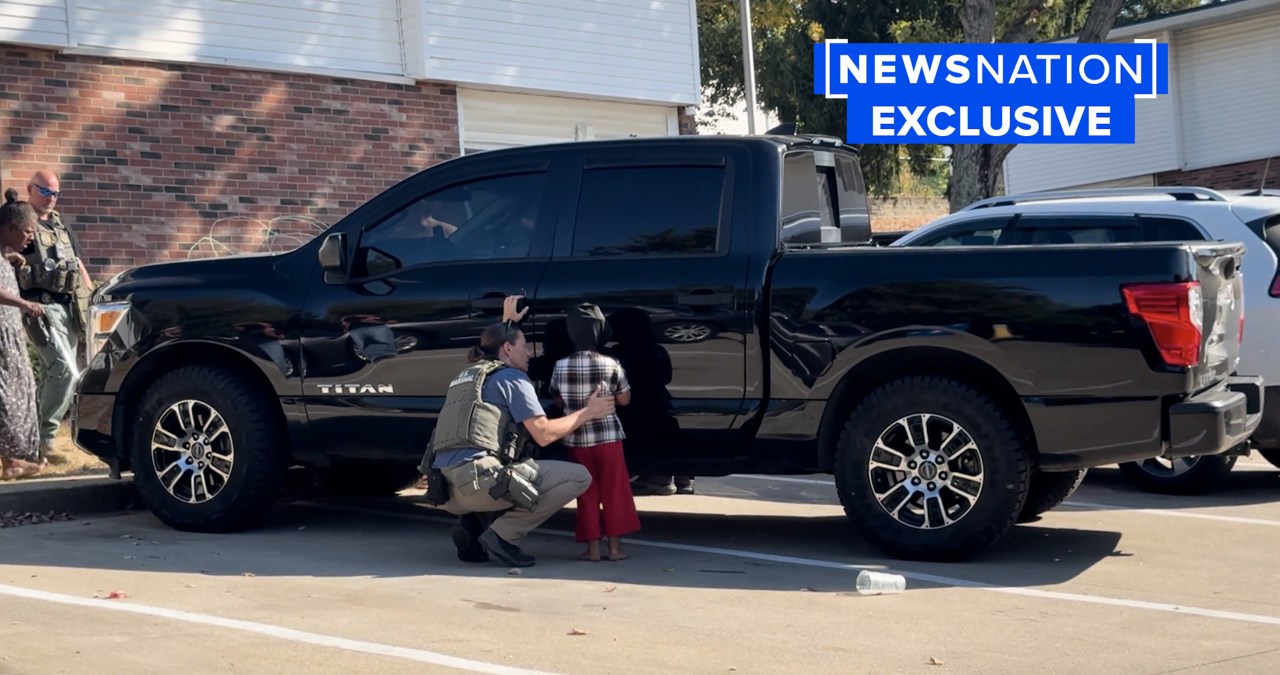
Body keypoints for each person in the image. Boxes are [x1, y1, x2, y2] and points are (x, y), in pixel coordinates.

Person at [427, 296, 616, 568]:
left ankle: (472, 524)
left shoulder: (468, 375)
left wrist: (507, 324)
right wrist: (589, 411)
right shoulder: (513, 378)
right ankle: (503, 536)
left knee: (508, 460)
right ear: (507, 348)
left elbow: (492, 351)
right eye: (524, 346)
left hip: (445, 491)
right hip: (480, 487)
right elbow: (544, 434)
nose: (528, 353)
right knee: (578, 477)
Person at [550, 303, 640, 562]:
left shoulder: (560, 366)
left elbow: (558, 399)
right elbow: (624, 399)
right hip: (608, 438)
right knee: (615, 491)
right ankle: (615, 549)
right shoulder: (610, 363)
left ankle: (593, 550)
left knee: (586, 494)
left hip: (576, 438)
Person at [18, 170, 92, 455]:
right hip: (40, 307)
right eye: (45, 191)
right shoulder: (20, 223)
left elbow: (77, 262)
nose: (51, 198)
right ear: (30, 189)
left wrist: (90, 295)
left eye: (55, 193)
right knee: (65, 371)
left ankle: (31, 439)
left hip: (68, 308)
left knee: (54, 374)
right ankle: (46, 441)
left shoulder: (59, 224)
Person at [0, 189, 47, 480]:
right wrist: (24, 304)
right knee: (6, 396)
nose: (31, 238)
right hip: (1, 340)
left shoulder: (3, 253)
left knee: (17, 392)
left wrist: (9, 256)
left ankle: (14, 460)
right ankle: (12, 461)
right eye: (28, 232)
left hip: (10, 335)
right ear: (10, 228)